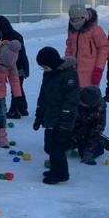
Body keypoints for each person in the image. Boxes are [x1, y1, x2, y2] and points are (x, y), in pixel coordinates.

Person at [34, 46, 79, 185]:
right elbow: (43, 96)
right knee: (49, 146)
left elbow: (71, 100)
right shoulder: (49, 74)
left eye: (45, 67)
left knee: (57, 147)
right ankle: (55, 169)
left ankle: (60, 173)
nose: (44, 70)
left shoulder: (69, 75)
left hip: (62, 119)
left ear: (53, 63)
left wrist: (65, 121)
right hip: (50, 117)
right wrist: (39, 115)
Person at [0, 15, 30, 118]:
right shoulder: (10, 36)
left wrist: (17, 69)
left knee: (15, 87)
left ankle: (15, 110)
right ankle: (22, 108)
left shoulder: (12, 38)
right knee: (18, 87)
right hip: (18, 66)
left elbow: (16, 55)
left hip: (19, 67)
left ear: (3, 29)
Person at [65, 4, 108, 88]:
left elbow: (104, 48)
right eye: (72, 19)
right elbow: (69, 47)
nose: (75, 22)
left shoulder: (95, 29)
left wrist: (98, 69)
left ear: (84, 17)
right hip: (74, 71)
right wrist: (67, 63)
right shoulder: (72, 30)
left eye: (77, 19)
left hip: (91, 72)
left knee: (88, 98)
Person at [73, 86, 107, 165]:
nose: (83, 106)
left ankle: (100, 143)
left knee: (84, 154)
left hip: (87, 129)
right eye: (81, 103)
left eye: (85, 105)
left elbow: (97, 130)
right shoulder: (73, 96)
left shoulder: (100, 109)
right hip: (74, 126)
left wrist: (89, 151)